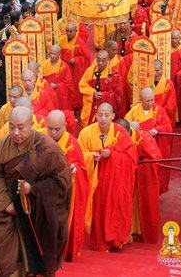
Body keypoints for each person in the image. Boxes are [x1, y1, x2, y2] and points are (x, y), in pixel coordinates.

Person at [0, 106, 72, 277]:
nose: (16, 132)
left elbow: (62, 183)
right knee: (3, 254)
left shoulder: (48, 149)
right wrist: (6, 205)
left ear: (32, 124)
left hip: (38, 211)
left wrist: (32, 189)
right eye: (11, 127)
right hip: (9, 210)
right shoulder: (2, 146)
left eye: (21, 127)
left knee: (38, 259)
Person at [78, 103, 137, 252]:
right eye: (100, 115)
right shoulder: (86, 133)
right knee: (98, 211)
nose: (103, 119)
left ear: (112, 116)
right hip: (96, 180)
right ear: (95, 115)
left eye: (106, 115)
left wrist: (112, 155)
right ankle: (100, 242)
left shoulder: (120, 132)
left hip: (114, 182)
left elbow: (131, 157)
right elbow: (78, 157)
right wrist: (93, 157)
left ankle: (116, 241)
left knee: (115, 209)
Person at [45, 110, 89, 262]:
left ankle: (64, 251)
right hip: (45, 190)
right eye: (50, 128)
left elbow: (81, 167)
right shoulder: (41, 139)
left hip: (65, 192)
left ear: (65, 126)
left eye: (58, 129)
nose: (53, 132)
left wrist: (74, 170)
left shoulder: (72, 143)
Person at [116, 118, 162, 244]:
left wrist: (140, 165)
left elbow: (156, 158)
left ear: (128, 131)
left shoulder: (143, 138)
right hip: (123, 177)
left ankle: (138, 231)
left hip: (140, 179)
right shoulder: (115, 137)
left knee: (140, 206)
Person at [125, 87, 172, 194]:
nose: (151, 103)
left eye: (152, 99)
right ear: (141, 100)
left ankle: (156, 191)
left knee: (157, 170)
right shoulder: (133, 112)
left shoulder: (159, 110)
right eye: (147, 100)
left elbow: (168, 125)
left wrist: (158, 129)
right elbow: (126, 129)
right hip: (141, 149)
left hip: (156, 146)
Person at [79, 49, 124, 127]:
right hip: (92, 102)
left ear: (108, 60)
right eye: (98, 60)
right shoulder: (90, 70)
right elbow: (82, 84)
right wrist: (92, 92)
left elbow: (118, 92)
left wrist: (104, 95)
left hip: (107, 104)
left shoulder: (113, 73)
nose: (100, 63)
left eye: (103, 60)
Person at [59, 23, 91, 108]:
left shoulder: (80, 42)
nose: (68, 33)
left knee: (75, 87)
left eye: (70, 31)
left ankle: (76, 106)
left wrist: (76, 60)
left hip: (75, 70)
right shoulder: (62, 40)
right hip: (64, 69)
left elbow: (86, 57)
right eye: (67, 31)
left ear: (76, 31)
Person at [42, 45, 76, 112]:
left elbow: (68, 84)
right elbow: (40, 79)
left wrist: (57, 85)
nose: (52, 56)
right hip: (47, 92)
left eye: (54, 54)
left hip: (59, 96)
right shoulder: (44, 64)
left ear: (60, 54)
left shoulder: (64, 67)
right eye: (50, 53)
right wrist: (46, 85)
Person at [153, 59, 177, 129]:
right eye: (153, 70)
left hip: (163, 116)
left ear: (162, 70)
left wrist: (159, 114)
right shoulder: (147, 82)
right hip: (150, 116)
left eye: (157, 71)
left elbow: (171, 105)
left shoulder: (168, 84)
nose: (155, 73)